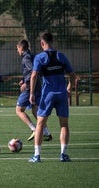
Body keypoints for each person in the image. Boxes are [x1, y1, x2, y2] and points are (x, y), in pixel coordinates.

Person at [29, 31, 76, 162]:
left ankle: (37, 155)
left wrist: (32, 93)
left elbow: (34, 76)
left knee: (40, 124)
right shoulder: (61, 56)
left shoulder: (40, 57)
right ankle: (63, 154)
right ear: (52, 42)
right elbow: (72, 75)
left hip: (48, 95)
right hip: (61, 94)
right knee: (64, 125)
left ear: (42, 43)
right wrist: (69, 88)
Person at [15, 39, 52, 141]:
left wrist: (26, 84)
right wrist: (23, 80)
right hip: (37, 85)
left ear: (21, 48)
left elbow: (33, 71)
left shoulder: (26, 58)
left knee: (19, 110)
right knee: (35, 109)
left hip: (30, 87)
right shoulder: (32, 56)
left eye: (17, 48)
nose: (17, 51)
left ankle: (34, 129)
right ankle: (46, 132)